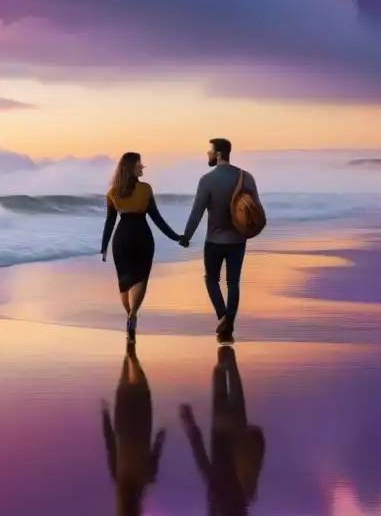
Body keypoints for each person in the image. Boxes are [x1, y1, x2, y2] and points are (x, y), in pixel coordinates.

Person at [180, 138, 262, 344]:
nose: (207, 154)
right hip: (237, 241)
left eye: (210, 151)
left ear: (218, 154)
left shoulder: (207, 180)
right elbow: (256, 210)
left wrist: (186, 236)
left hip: (214, 241)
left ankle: (223, 317)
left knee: (211, 279)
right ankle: (229, 323)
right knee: (233, 282)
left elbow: (197, 212)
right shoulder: (246, 177)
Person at [102, 151, 182, 341]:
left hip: (121, 240)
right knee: (140, 278)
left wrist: (104, 246)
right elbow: (157, 218)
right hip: (142, 237)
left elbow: (110, 222)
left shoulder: (112, 193)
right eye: (139, 164)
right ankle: (133, 315)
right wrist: (176, 237)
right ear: (131, 167)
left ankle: (128, 315)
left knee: (124, 281)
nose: (142, 167)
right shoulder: (145, 189)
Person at [179, 346, 266, 515]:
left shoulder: (245, 492)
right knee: (221, 367)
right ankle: (222, 334)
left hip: (238, 428)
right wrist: (189, 423)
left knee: (230, 364)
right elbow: (202, 459)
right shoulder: (218, 496)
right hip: (222, 428)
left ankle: (226, 334)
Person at [101, 342, 167, 516]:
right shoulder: (121, 478)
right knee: (128, 369)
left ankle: (131, 342)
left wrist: (162, 435)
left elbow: (156, 450)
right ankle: (130, 340)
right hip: (125, 421)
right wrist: (105, 415)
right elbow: (110, 444)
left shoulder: (145, 479)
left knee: (135, 371)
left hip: (139, 422)